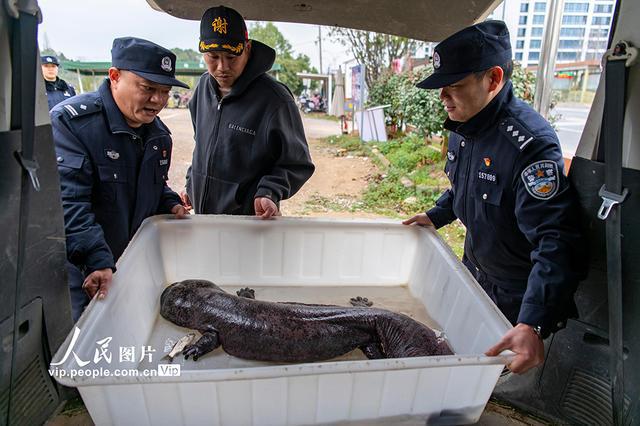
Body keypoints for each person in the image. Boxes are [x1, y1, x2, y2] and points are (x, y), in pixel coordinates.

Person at [403, 21, 584, 374]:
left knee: (486, 377)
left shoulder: (529, 145)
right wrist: (438, 214)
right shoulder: (465, 124)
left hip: (515, 297)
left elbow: (557, 239)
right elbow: (466, 185)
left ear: (494, 79)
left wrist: (532, 323)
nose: (442, 98)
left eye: (453, 86)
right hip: (475, 274)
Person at [51, 37, 190, 321]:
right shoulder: (72, 125)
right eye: (148, 88)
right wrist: (96, 259)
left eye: (164, 91)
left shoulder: (158, 135)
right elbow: (68, 201)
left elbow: (150, 185)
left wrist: (170, 202)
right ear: (114, 77)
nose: (158, 101)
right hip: (88, 275)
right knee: (85, 350)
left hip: (135, 267)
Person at [181, 5, 314, 218]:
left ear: (247, 48)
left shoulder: (275, 100)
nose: (222, 67)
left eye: (231, 57)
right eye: (213, 57)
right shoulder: (202, 90)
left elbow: (297, 163)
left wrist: (270, 191)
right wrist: (191, 184)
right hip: (203, 220)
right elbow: (203, 147)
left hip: (249, 223)